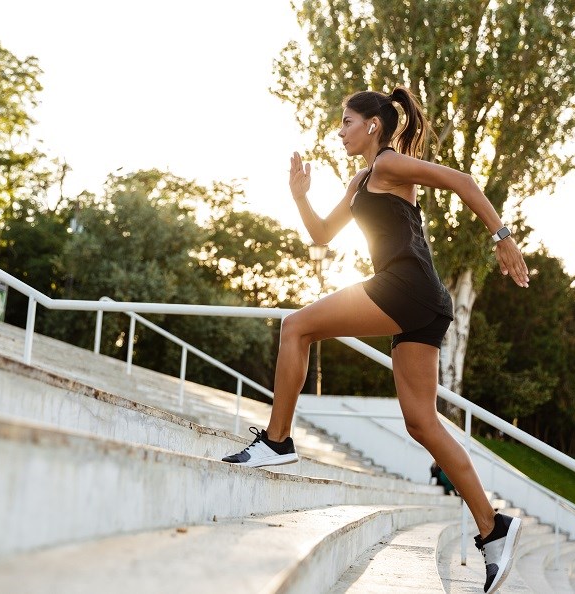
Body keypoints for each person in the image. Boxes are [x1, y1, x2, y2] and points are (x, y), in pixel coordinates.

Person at [221, 87, 528, 593]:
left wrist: (503, 238)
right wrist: (300, 196)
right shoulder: (363, 178)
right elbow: (322, 235)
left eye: (347, 121)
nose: (339, 130)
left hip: (405, 287)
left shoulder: (389, 163)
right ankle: (493, 528)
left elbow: (463, 181)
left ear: (373, 127)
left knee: (296, 325)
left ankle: (277, 442)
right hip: (423, 302)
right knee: (421, 422)